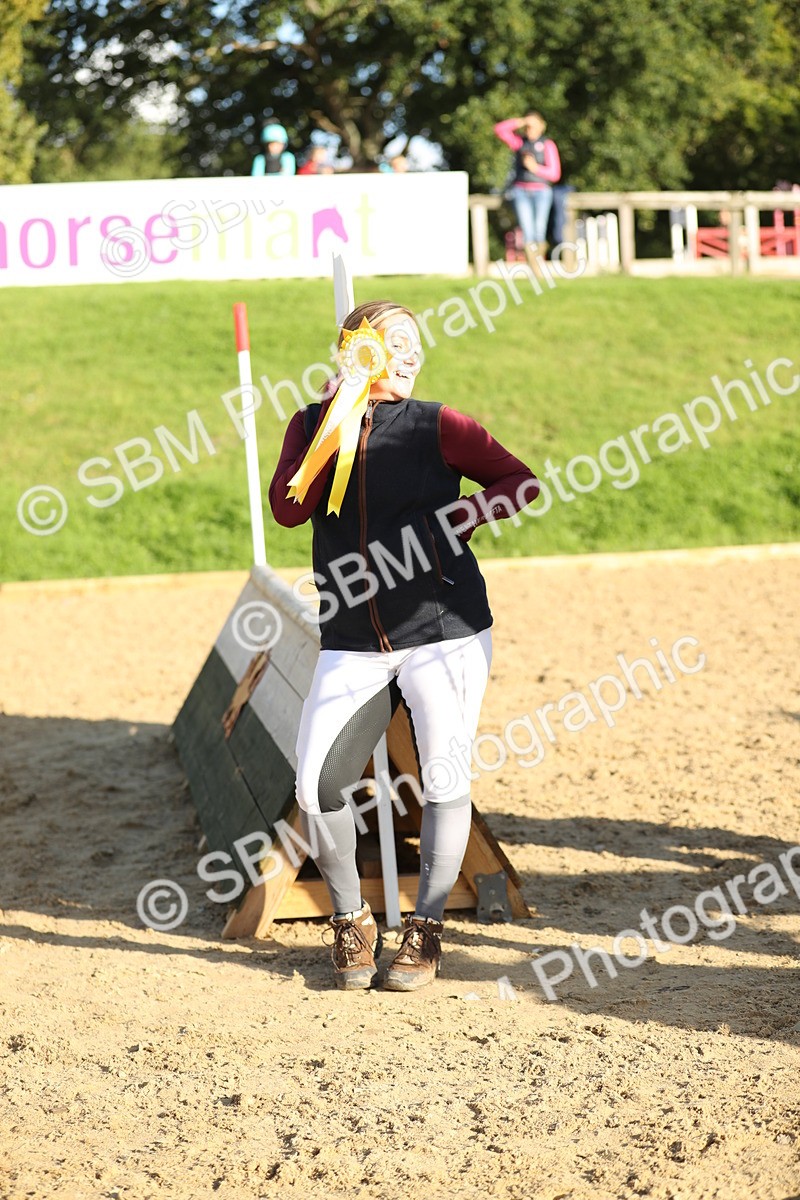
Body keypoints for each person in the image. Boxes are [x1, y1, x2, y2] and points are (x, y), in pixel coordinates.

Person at [269, 300, 539, 992]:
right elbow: (289, 508)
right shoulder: (311, 422)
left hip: (444, 630)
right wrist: (329, 426)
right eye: (395, 343)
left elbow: (520, 482)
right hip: (352, 637)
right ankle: (352, 919)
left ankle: (425, 932)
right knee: (316, 782)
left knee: (445, 774)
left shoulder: (439, 423)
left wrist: (452, 524)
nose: (412, 354)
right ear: (358, 351)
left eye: (417, 343)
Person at [494, 113, 561, 263]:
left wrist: (535, 168)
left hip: (541, 191)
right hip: (521, 191)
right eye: (528, 126)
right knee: (527, 230)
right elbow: (499, 130)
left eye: (534, 125)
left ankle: (539, 262)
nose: (530, 128)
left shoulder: (547, 144)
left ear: (542, 126)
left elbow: (555, 174)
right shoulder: (519, 143)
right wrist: (520, 121)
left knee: (539, 230)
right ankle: (534, 266)